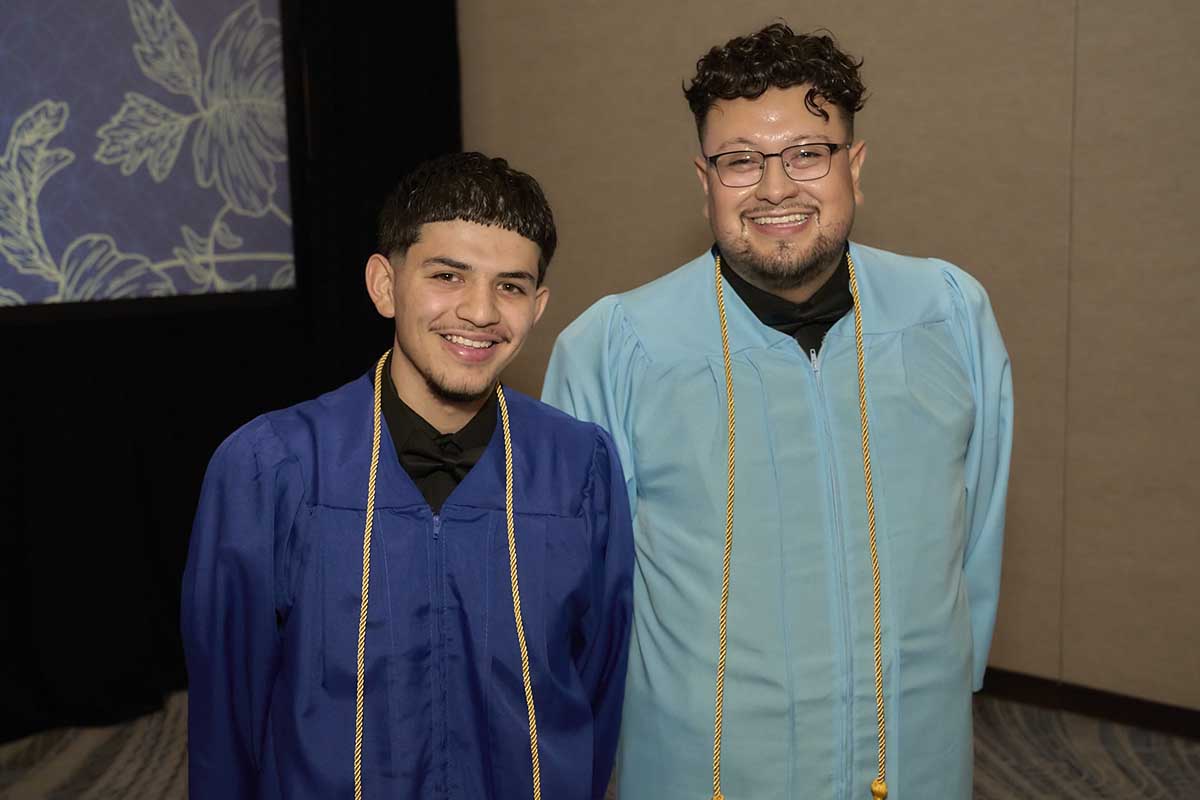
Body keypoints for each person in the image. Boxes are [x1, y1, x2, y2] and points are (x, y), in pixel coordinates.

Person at [543, 23, 1012, 800]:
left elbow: (980, 534)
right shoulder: (615, 348)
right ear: (704, 181)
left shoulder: (949, 314)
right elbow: (576, 599)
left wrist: (947, 681)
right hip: (706, 764)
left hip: (910, 748)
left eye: (807, 153)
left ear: (854, 166)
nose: (774, 188)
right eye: (740, 161)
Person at [183, 152, 634, 800]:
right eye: (448, 276)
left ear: (537, 306)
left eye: (510, 286)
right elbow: (228, 718)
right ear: (384, 285)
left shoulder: (579, 466)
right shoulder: (274, 466)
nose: (480, 311)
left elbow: (595, 687)